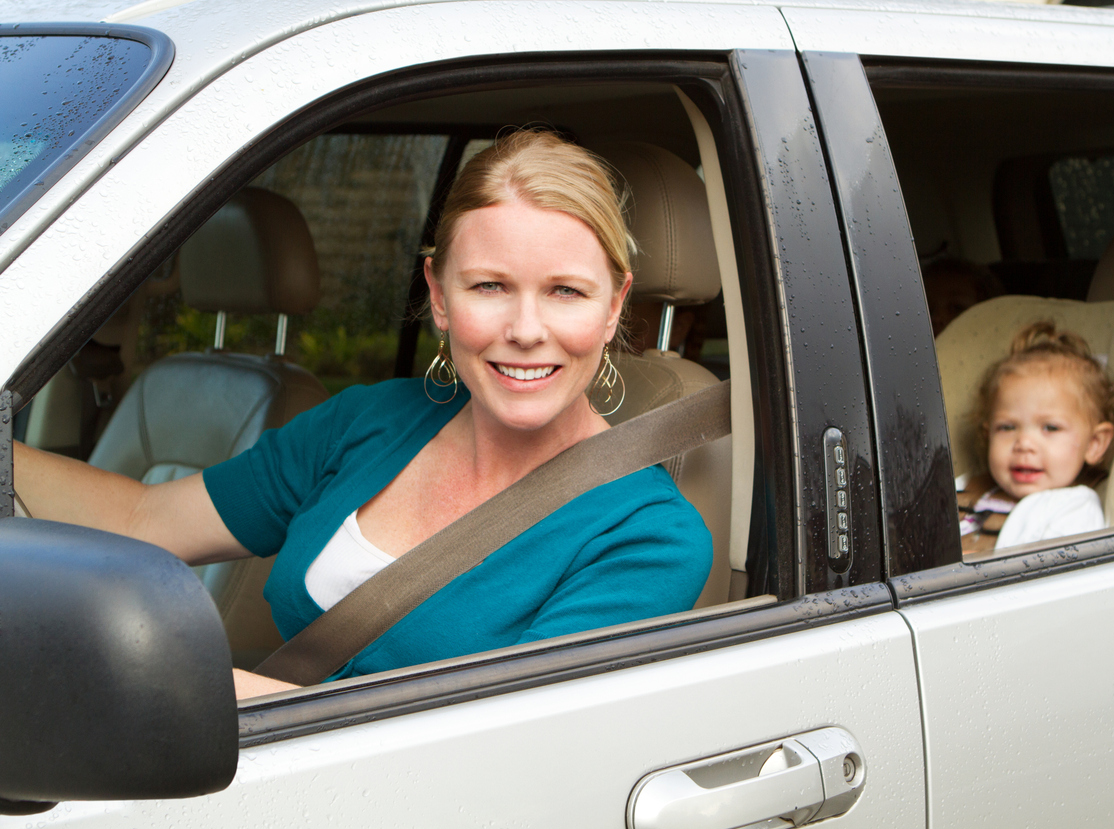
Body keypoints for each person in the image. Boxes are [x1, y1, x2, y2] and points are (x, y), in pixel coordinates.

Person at [13, 129, 713, 698]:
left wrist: (162, 684)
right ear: (439, 296)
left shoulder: (649, 536)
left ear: (616, 304)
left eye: (565, 291)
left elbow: (486, 751)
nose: (526, 329)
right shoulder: (369, 421)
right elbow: (144, 521)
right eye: (490, 286)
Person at [957, 321, 1114, 553]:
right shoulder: (966, 487)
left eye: (1051, 428)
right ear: (988, 434)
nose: (1024, 444)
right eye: (1006, 427)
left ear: (1094, 444)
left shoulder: (1074, 510)